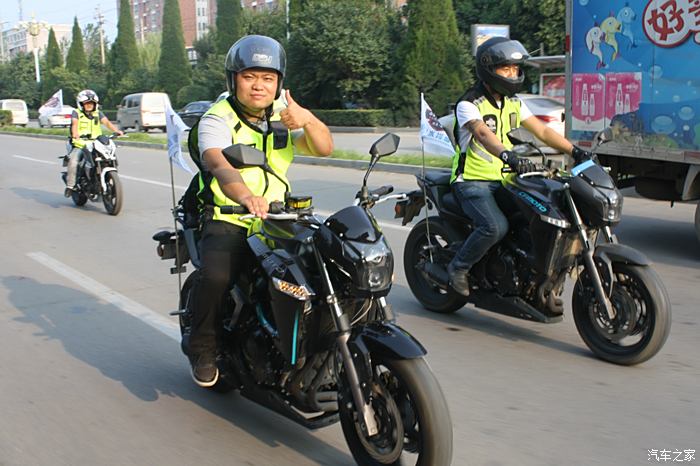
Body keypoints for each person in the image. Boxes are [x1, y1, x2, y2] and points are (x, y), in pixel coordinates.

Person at [187, 35, 333, 387]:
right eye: (249, 76)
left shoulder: (283, 117)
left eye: (268, 78)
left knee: (325, 270)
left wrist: (308, 119)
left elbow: (325, 148)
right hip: (230, 217)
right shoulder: (216, 119)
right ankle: (202, 346)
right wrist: (245, 197)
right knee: (218, 276)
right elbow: (220, 165)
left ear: (279, 82)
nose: (259, 86)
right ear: (233, 78)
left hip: (277, 220)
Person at [448, 37, 594, 296]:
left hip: (505, 179)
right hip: (472, 182)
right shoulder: (469, 104)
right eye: (506, 69)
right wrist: (509, 156)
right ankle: (458, 267)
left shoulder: (513, 102)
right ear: (489, 69)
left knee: (540, 215)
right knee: (495, 227)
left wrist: (575, 151)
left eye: (515, 69)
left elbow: (543, 131)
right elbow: (482, 134)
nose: (512, 74)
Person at [64, 89, 123, 197]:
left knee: (109, 156)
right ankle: (70, 186)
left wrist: (116, 131)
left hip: (96, 142)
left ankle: (106, 179)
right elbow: (74, 125)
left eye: (92, 103)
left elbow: (107, 122)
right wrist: (75, 134)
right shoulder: (76, 113)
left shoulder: (97, 113)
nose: (89, 105)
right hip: (80, 143)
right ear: (81, 104)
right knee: (73, 161)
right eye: (87, 103)